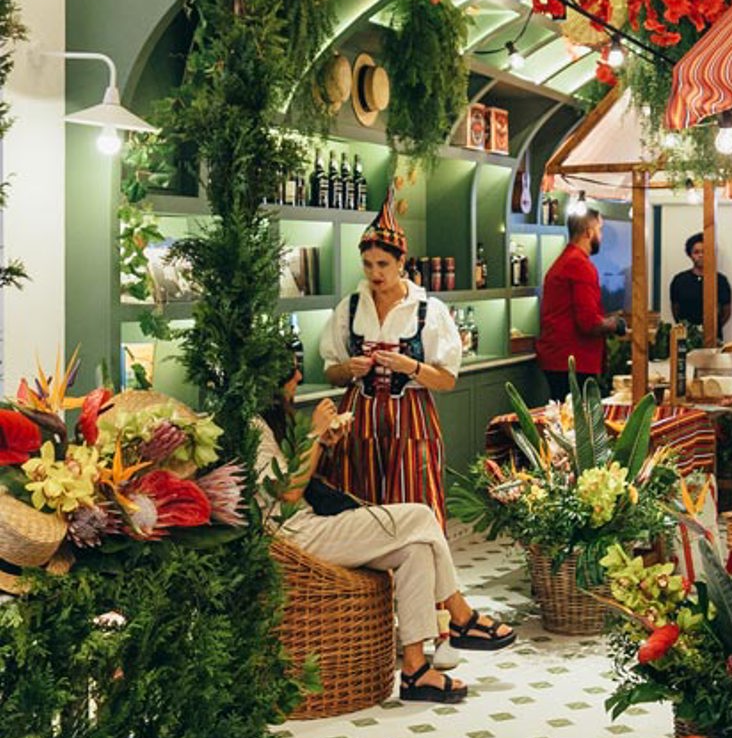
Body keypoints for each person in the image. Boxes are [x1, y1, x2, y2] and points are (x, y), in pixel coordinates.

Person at [256, 367, 514, 702]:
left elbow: (294, 477)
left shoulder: (271, 422)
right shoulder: (252, 427)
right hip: (296, 534)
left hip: (307, 524)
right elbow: (287, 492)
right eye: (291, 370)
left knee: (417, 548)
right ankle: (461, 614)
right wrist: (316, 435)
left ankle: (416, 669)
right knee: (421, 515)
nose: (300, 377)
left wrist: (325, 442)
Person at [320, 190, 461, 524]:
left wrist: (410, 366)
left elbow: (447, 380)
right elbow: (331, 374)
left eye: (383, 264)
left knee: (414, 501)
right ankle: (367, 577)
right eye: (368, 265)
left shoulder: (429, 311)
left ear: (401, 262)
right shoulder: (350, 308)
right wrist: (348, 368)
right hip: (359, 418)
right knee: (359, 503)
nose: (375, 273)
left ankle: (419, 574)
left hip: (412, 418)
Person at [536, 205, 626, 402]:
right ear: (589, 232)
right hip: (573, 360)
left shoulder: (565, 260)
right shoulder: (579, 265)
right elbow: (588, 322)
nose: (601, 236)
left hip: (559, 358)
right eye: (599, 230)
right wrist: (616, 325)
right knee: (578, 425)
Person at [669, 232, 732, 332]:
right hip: (686, 336)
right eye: (696, 252)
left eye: (704, 251)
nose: (700, 255)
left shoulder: (720, 281)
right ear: (690, 255)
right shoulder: (679, 280)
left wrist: (712, 329)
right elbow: (675, 309)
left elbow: (726, 311)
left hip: (714, 337)